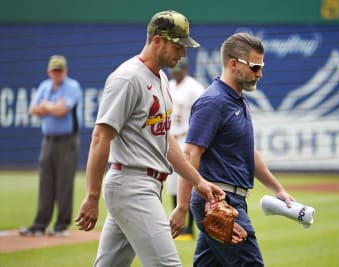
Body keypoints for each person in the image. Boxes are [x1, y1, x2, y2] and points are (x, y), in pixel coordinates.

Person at [74, 10, 225, 267]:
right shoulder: (127, 78)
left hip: (146, 185)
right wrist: (91, 195)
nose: (183, 54)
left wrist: (198, 181)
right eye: (178, 45)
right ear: (158, 41)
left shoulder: (161, 78)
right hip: (132, 185)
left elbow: (165, 140)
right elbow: (100, 137)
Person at [169, 33, 295, 266]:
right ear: (233, 63)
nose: (260, 73)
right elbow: (190, 154)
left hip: (230, 199)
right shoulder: (213, 101)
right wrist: (182, 207)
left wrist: (278, 189)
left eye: (261, 67)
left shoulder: (238, 100)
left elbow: (248, 152)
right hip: (219, 202)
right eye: (255, 67)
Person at [19, 55, 82, 237]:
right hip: (48, 140)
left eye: (60, 70)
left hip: (67, 140)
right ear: (49, 72)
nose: (57, 73)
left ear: (65, 71)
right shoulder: (44, 86)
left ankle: (61, 226)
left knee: (64, 182)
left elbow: (63, 111)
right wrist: (50, 106)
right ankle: (40, 224)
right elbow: (32, 110)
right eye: (54, 70)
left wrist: (45, 106)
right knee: (45, 182)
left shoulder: (72, 86)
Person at [167, 57, 205, 240]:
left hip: (187, 138)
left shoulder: (195, 88)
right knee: (173, 184)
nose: (175, 71)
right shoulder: (169, 85)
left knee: (188, 181)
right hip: (171, 139)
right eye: (173, 67)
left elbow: (204, 111)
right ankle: (179, 226)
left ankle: (190, 227)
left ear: (186, 69)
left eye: (178, 68)